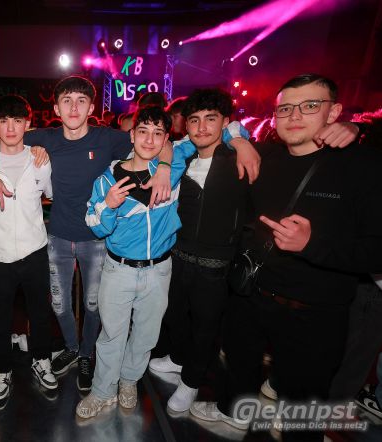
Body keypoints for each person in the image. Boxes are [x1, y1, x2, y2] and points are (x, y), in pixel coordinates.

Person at [0, 75, 260, 392]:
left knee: (93, 305)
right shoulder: (45, 137)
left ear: (91, 108)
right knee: (59, 305)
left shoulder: (108, 138)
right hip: (58, 236)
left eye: (82, 101)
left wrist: (170, 165)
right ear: (56, 108)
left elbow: (161, 140)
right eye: (67, 101)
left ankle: (86, 354)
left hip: (97, 239)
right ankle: (71, 347)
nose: (74, 108)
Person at [190, 74, 382, 442]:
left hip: (313, 313)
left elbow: (377, 249)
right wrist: (240, 141)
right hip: (250, 295)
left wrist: (312, 244)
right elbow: (219, 127)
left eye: (310, 106)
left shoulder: (363, 167)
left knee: (302, 409)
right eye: (285, 108)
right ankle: (233, 414)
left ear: (334, 112)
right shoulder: (264, 156)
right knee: (238, 366)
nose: (294, 116)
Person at [76, 105, 188, 418]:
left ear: (165, 138)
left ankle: (128, 381)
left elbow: (215, 133)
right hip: (118, 270)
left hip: (159, 269)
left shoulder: (172, 166)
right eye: (143, 131)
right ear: (132, 134)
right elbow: (96, 226)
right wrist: (109, 205)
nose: (150, 140)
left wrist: (164, 165)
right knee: (112, 334)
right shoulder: (107, 180)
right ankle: (102, 391)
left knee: (146, 335)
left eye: (158, 134)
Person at [148, 89, 248, 413]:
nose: (202, 127)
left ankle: (191, 382)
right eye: (194, 120)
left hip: (216, 264)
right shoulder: (183, 157)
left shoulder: (238, 158)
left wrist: (240, 139)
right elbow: (164, 145)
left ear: (225, 122)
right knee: (174, 315)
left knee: (206, 328)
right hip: (177, 255)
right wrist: (165, 165)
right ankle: (178, 359)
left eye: (210, 119)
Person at [0, 95, 56, 408]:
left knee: (40, 311)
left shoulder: (40, 160)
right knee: (0, 315)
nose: (10, 128)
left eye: (17, 121)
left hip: (35, 249)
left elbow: (48, 194)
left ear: (27, 124)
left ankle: (42, 360)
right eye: (4, 121)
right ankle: (2, 370)